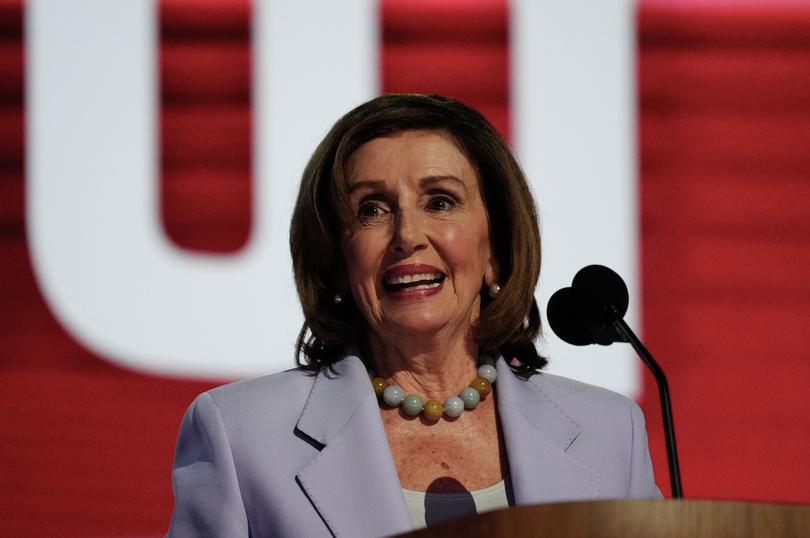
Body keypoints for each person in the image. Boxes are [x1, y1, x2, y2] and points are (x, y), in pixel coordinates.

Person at [167, 94, 661, 538]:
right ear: (337, 260)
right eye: (372, 210)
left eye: (440, 201)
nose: (407, 234)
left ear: (496, 250)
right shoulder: (241, 436)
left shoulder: (610, 433)